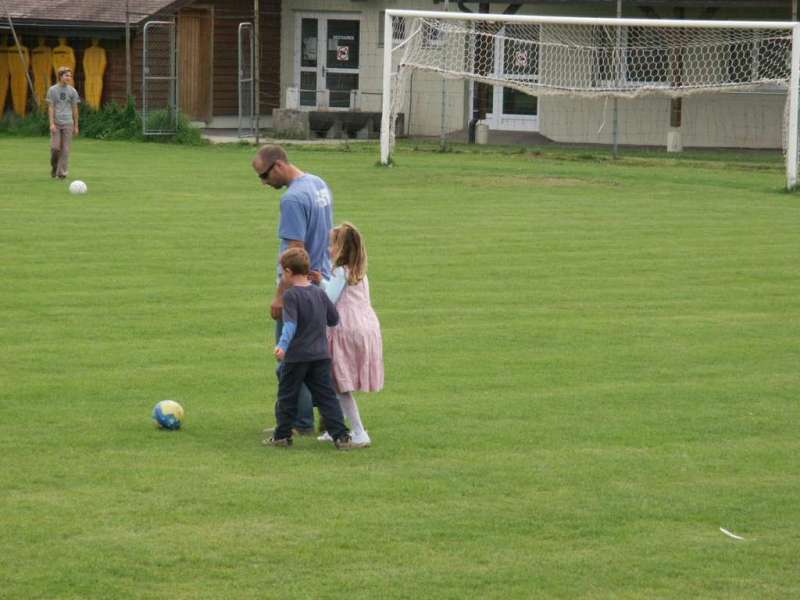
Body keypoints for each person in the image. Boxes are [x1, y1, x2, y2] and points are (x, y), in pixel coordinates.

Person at [253, 144, 334, 436]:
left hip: (299, 288)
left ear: (277, 166)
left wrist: (280, 297)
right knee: (315, 356)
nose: (263, 183)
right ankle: (327, 411)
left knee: (290, 360)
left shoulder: (292, 199)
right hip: (322, 283)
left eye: (264, 176)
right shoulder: (318, 184)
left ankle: (300, 422)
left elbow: (295, 256)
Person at [265, 248, 355, 450]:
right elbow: (333, 319)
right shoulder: (319, 293)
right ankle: (341, 436)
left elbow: (290, 325)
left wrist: (282, 346)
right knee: (326, 397)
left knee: (287, 396)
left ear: (288, 272)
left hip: (297, 356)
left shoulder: (291, 296)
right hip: (321, 355)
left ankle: (282, 436)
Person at [317, 222, 384, 447]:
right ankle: (336, 426)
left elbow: (330, 299)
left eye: (332, 246)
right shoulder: (360, 273)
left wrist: (318, 282)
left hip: (344, 329)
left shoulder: (340, 272)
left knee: (339, 383)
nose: (328, 250)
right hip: (366, 326)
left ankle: (358, 431)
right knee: (338, 381)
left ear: (341, 249)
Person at [47, 66, 80, 179]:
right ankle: (54, 166)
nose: (69, 78)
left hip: (68, 123)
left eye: (70, 76)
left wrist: (76, 125)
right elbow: (51, 107)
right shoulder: (52, 90)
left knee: (65, 150)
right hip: (56, 123)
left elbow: (75, 109)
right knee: (55, 148)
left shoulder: (72, 91)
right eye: (66, 75)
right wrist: (51, 123)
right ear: (60, 76)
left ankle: (62, 173)